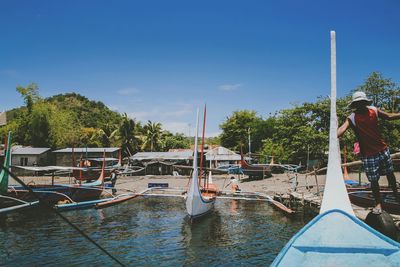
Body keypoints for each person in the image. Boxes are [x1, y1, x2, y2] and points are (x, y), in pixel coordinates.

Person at [338, 91, 400, 214]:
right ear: (355, 104)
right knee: (373, 180)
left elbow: (389, 116)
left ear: (365, 102)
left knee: (390, 175)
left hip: (382, 149)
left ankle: (396, 196)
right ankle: (377, 203)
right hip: (368, 154)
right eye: (358, 103)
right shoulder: (352, 118)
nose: (361, 104)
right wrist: (335, 134)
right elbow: (342, 129)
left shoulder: (373, 110)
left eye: (363, 102)